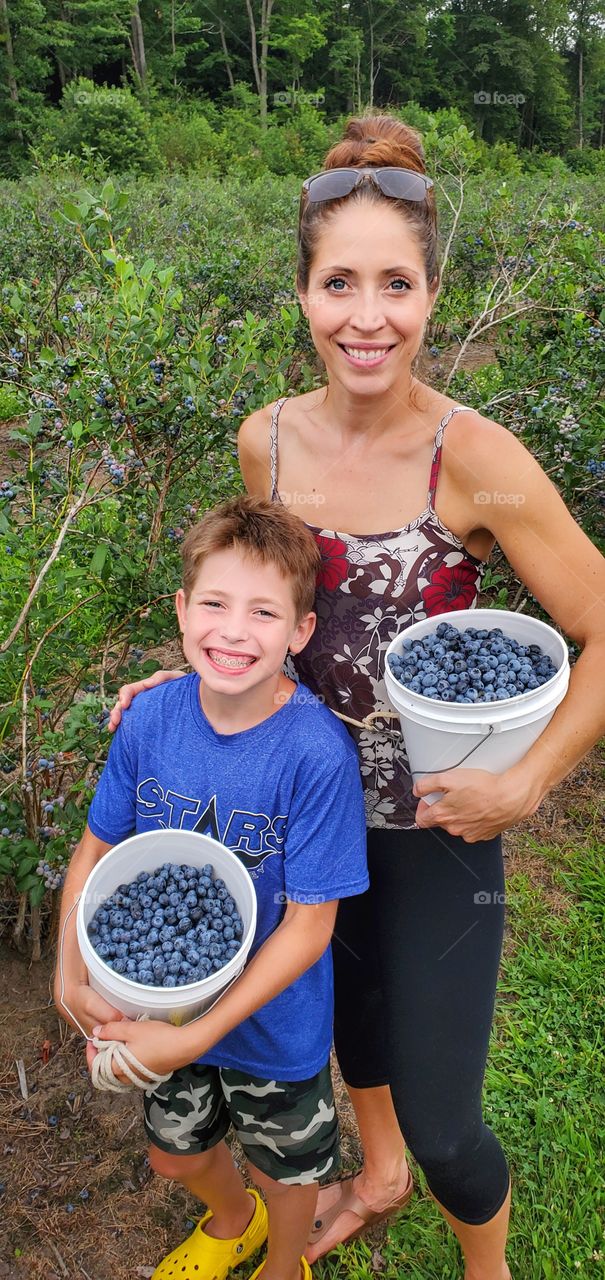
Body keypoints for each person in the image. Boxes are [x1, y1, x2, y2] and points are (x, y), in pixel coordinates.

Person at [108, 114, 605, 1280]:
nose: (365, 316)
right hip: (303, 821)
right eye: (339, 281)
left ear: (433, 292)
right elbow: (267, 609)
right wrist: (192, 678)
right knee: (347, 1031)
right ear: (301, 292)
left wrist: (527, 780)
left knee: (447, 1126)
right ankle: (369, 1168)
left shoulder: (473, 458)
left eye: (395, 282)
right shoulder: (263, 444)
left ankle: (480, 1261)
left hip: (436, 824)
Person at [54, 494, 370, 1280]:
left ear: (299, 633)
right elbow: (95, 852)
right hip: (155, 1004)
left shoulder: (314, 755)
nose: (233, 632)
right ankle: (233, 1220)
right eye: (215, 604)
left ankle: (282, 1261)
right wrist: (68, 969)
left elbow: (306, 926)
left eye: (264, 612)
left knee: (287, 1170)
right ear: (182, 608)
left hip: (273, 1027)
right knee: (176, 1159)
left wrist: (196, 1035)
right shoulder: (150, 721)